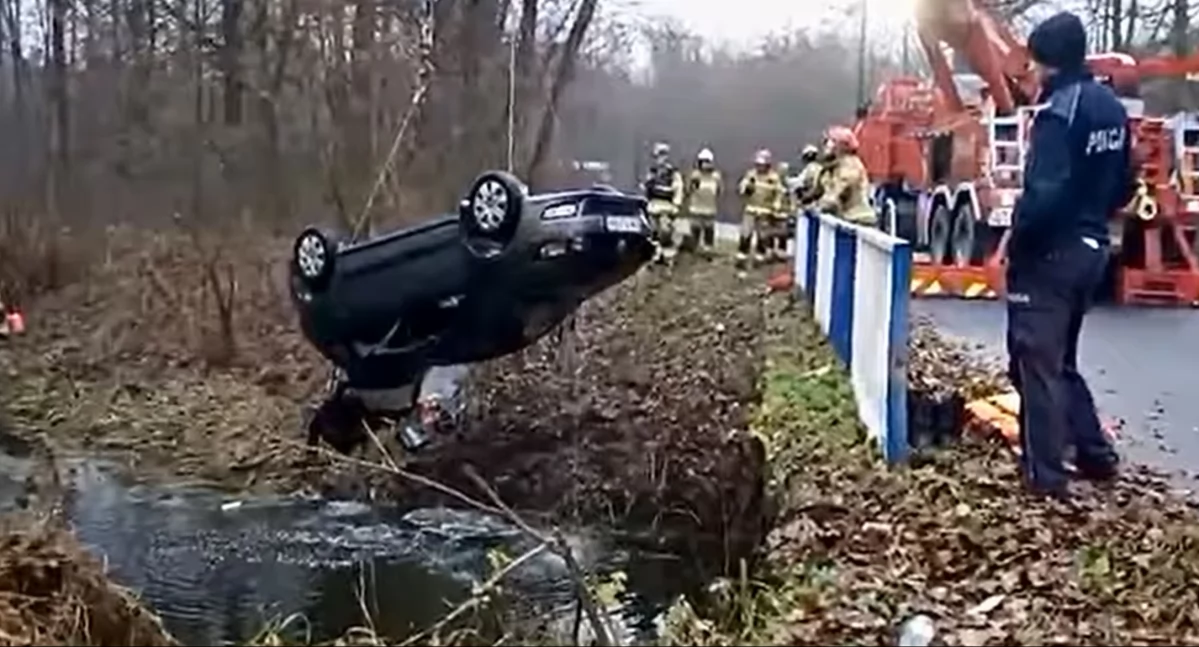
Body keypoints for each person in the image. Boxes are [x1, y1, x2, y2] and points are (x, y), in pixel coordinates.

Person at [1007, 10, 1131, 502]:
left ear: (1049, 64)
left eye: (1033, 64)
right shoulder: (1110, 107)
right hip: (1093, 246)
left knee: (1032, 363)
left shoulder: (1060, 112)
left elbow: (1045, 194)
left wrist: (1018, 244)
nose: (1030, 75)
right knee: (1061, 360)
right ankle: (1095, 455)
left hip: (1051, 256)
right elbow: (1125, 180)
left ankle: (1046, 478)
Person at [816, 126, 876, 226]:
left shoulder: (850, 165)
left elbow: (840, 188)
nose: (826, 145)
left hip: (858, 219)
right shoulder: (836, 166)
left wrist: (823, 204)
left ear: (839, 145)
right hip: (848, 218)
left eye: (830, 141)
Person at [736, 149, 783, 268]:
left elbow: (779, 192)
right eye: (758, 164)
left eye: (762, 165)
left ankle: (759, 257)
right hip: (751, 209)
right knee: (746, 233)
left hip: (765, 210)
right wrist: (746, 188)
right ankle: (742, 256)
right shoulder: (751, 175)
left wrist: (776, 204)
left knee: (762, 235)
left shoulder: (773, 177)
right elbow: (742, 188)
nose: (760, 167)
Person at [642, 141, 684, 264]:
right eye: (657, 156)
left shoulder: (672, 172)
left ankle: (668, 257)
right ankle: (655, 254)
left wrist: (676, 204)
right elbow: (646, 188)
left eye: (661, 155)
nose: (659, 159)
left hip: (666, 206)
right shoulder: (652, 172)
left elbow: (678, 188)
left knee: (665, 231)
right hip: (653, 205)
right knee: (653, 231)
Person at [685, 147, 723, 257]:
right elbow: (687, 190)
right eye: (703, 162)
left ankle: (708, 249)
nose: (706, 165)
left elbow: (720, 190)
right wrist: (693, 184)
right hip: (696, 207)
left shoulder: (716, 176)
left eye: (708, 162)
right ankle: (694, 247)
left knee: (709, 229)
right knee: (695, 228)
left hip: (710, 208)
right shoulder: (695, 175)